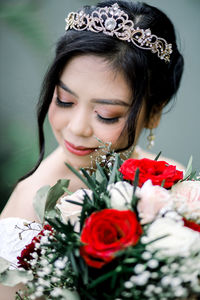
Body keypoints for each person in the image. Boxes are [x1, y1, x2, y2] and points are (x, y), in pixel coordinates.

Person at [0, 0, 184, 297]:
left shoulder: (180, 192)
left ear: (154, 113)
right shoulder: (25, 216)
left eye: (106, 115)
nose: (76, 128)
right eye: (64, 100)